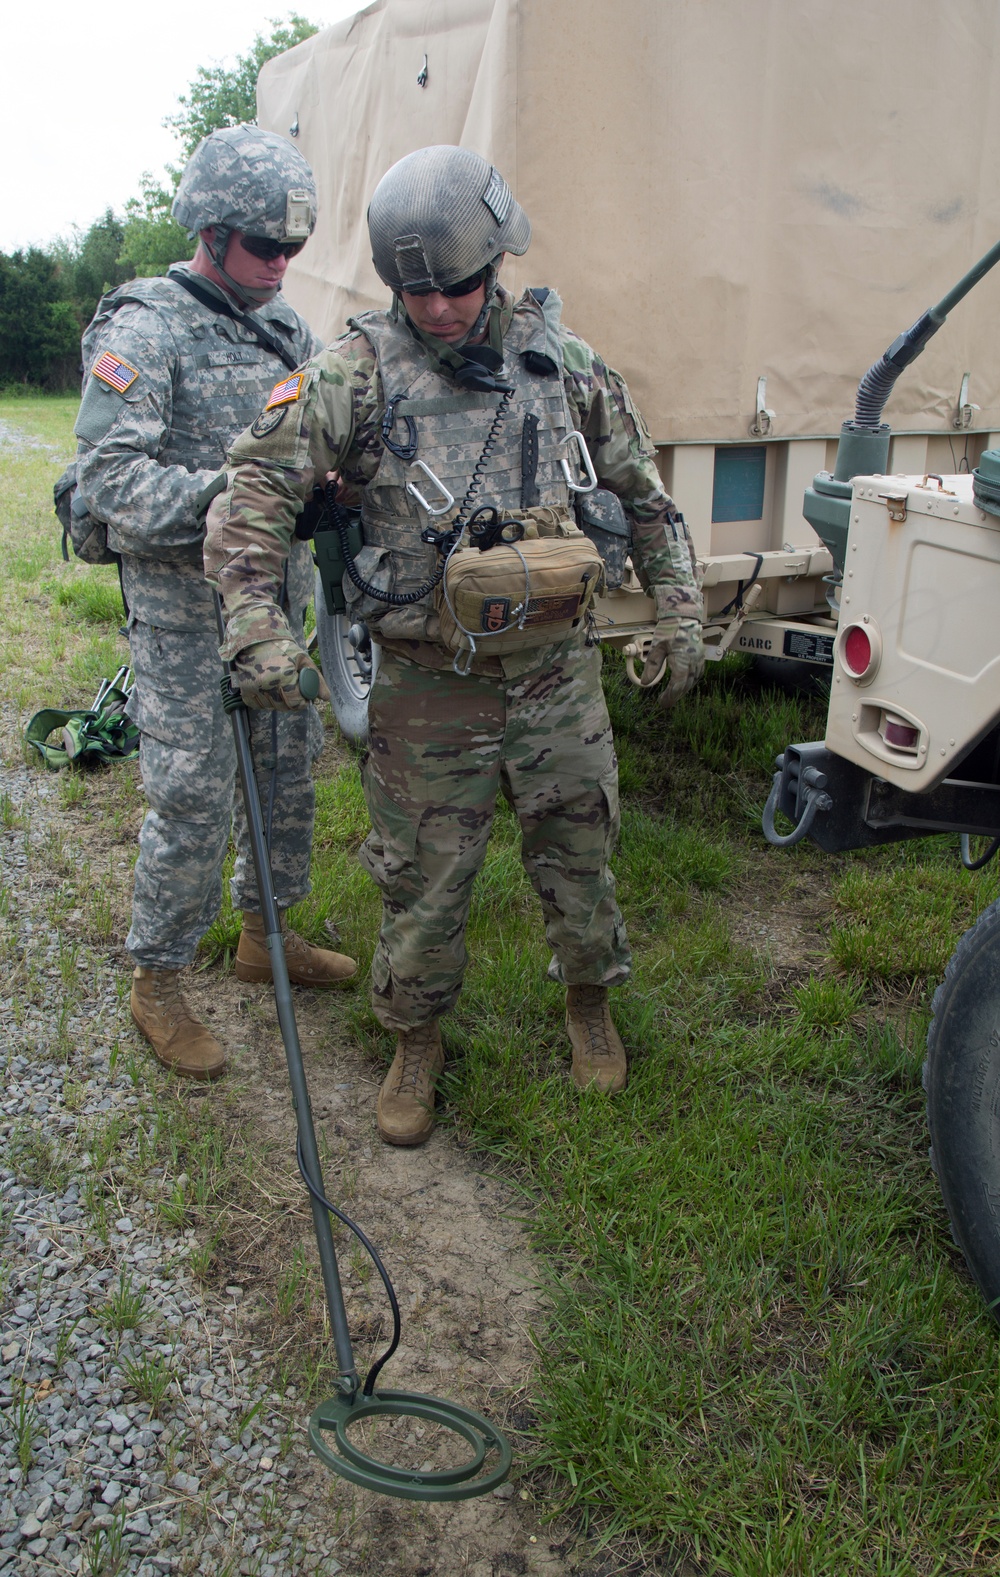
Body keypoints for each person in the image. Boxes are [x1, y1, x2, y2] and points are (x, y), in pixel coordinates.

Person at [205, 144, 703, 1141]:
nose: (436, 308)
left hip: (557, 673)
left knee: (578, 850)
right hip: (428, 687)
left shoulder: (565, 365)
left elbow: (644, 498)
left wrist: (682, 609)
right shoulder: (351, 374)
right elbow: (250, 500)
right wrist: (257, 628)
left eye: (459, 286)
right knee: (424, 876)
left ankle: (588, 1003)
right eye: (413, 290)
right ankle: (416, 1033)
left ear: (498, 262)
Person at [74, 125, 356, 1084]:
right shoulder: (144, 327)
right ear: (210, 229)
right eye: (264, 246)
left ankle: (263, 935)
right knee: (194, 794)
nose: (282, 264)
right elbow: (109, 481)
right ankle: (156, 980)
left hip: (274, 603)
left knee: (285, 772)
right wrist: (239, 496)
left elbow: (316, 441)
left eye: (294, 248)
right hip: (185, 609)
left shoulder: (287, 330)